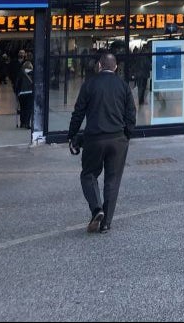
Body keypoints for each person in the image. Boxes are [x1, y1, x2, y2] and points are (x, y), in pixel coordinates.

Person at [67, 53, 136, 234]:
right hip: (118, 139)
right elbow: (131, 114)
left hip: (94, 139)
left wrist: (72, 135)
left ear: (99, 65)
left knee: (88, 175)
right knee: (113, 180)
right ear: (115, 67)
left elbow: (78, 112)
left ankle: (97, 209)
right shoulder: (123, 86)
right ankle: (106, 223)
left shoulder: (89, 84)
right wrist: (127, 134)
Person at [15, 61, 34, 129]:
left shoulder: (20, 73)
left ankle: (22, 123)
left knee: (22, 108)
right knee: (28, 109)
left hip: (21, 94)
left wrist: (17, 92)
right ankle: (27, 123)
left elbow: (17, 84)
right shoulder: (33, 73)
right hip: (30, 93)